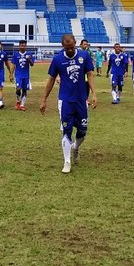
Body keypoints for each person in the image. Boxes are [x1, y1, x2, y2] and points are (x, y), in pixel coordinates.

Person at [40, 34, 97, 174]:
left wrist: (94, 93)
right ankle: (67, 162)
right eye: (67, 48)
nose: (70, 50)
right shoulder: (58, 59)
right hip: (65, 100)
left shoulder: (84, 56)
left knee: (83, 131)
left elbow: (89, 74)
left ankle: (75, 147)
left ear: (75, 43)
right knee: (67, 131)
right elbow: (51, 80)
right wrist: (44, 100)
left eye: (72, 47)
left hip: (81, 100)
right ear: (63, 46)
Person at [11, 40, 35, 111]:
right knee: (18, 88)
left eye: (24, 45)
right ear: (19, 46)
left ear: (26, 46)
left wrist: (29, 60)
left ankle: (22, 105)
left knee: (24, 90)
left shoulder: (29, 54)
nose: (22, 47)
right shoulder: (15, 55)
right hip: (18, 75)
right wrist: (11, 74)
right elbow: (13, 64)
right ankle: (18, 101)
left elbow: (32, 64)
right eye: (21, 45)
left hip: (26, 75)